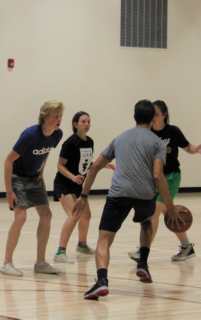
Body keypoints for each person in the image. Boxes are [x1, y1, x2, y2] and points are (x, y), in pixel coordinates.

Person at [73, 100, 183, 300]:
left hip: (118, 193)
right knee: (147, 222)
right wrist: (170, 206)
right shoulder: (158, 143)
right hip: (145, 194)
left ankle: (102, 281)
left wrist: (83, 196)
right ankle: (143, 264)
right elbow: (158, 176)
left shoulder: (120, 138)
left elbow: (96, 166)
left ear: (134, 117)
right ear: (152, 118)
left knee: (104, 238)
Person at [127, 100, 201, 262]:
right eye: (152, 114)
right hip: (154, 179)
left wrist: (196, 149)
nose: (153, 117)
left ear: (164, 115)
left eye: (156, 114)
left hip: (170, 178)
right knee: (169, 213)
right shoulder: (148, 132)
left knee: (153, 213)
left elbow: (187, 147)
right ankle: (187, 247)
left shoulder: (173, 131)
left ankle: (143, 251)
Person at [0, 101, 64, 277]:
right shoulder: (30, 135)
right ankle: (7, 263)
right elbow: (8, 160)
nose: (59, 120)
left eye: (60, 116)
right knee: (21, 217)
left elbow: (47, 151)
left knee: (47, 215)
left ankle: (41, 263)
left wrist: (41, 172)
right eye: (55, 116)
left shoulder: (57, 135)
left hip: (34, 177)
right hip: (17, 177)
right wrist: (8, 191)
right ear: (45, 117)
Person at [52, 111, 115, 264]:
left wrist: (102, 165)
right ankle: (60, 252)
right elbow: (60, 165)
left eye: (88, 121)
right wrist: (72, 176)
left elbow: (85, 163)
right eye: (83, 121)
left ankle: (82, 245)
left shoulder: (89, 142)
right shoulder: (70, 143)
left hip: (78, 186)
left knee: (86, 216)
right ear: (75, 124)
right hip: (64, 183)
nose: (87, 124)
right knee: (74, 215)